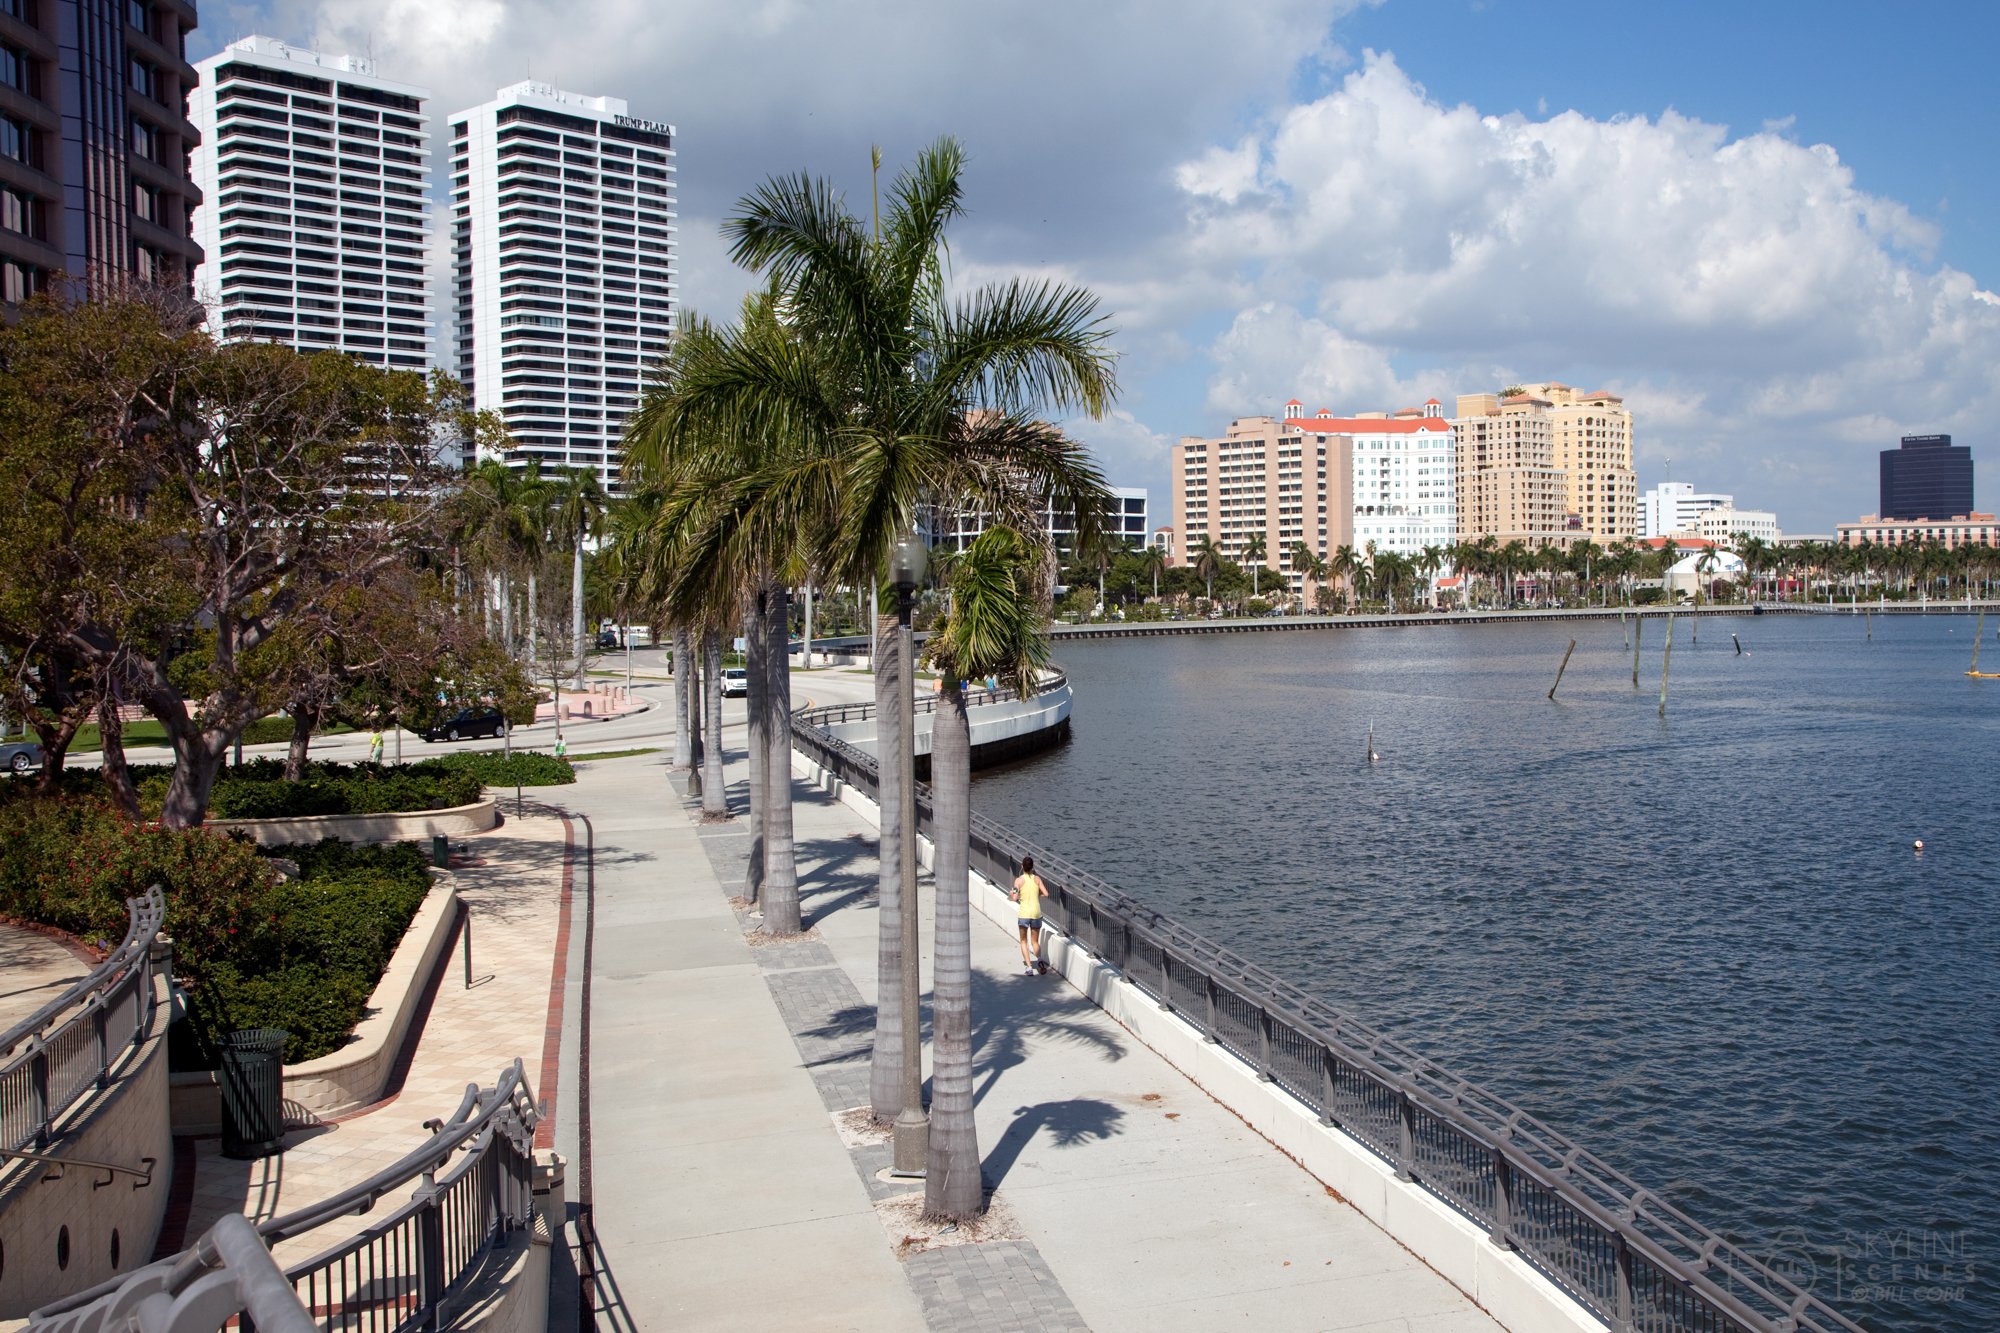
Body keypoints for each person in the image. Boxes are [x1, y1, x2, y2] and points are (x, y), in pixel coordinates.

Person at [1010, 856, 1048, 976]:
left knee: (1023, 941)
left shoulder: (1018, 880)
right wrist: (1038, 895)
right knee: (1035, 941)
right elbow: (1046, 893)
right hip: (1036, 913)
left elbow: (1014, 897)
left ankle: (1029, 967)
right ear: (1032, 867)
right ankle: (1040, 959)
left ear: (1022, 866)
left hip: (1024, 914)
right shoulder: (1037, 879)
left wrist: (1012, 892)